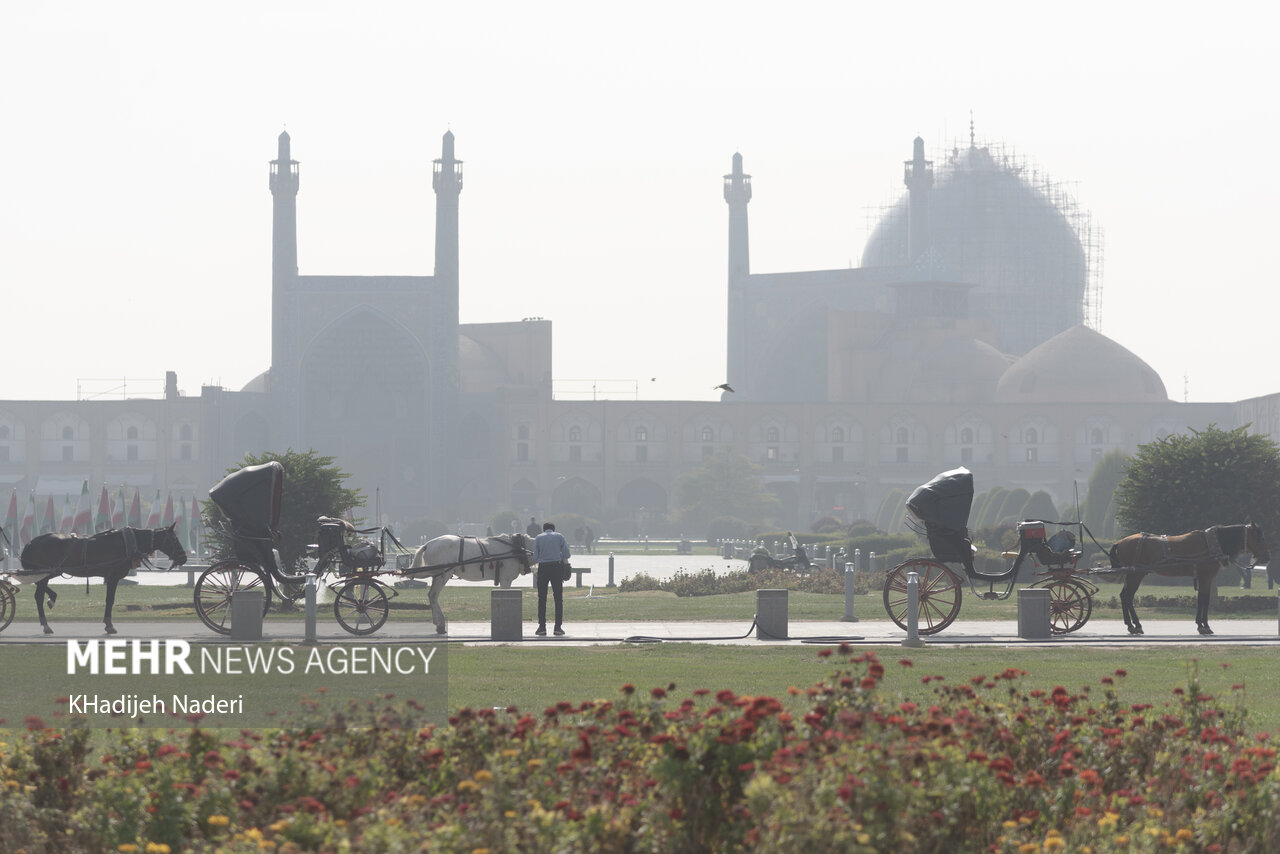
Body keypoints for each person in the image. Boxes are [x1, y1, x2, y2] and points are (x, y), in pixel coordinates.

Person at [533, 521, 570, 636]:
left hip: (543, 568)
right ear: (553, 529)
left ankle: (542, 627)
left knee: (542, 598)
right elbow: (566, 554)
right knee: (558, 598)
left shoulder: (538, 538)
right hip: (556, 567)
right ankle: (558, 627)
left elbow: (535, 557)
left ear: (544, 529)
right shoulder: (559, 536)